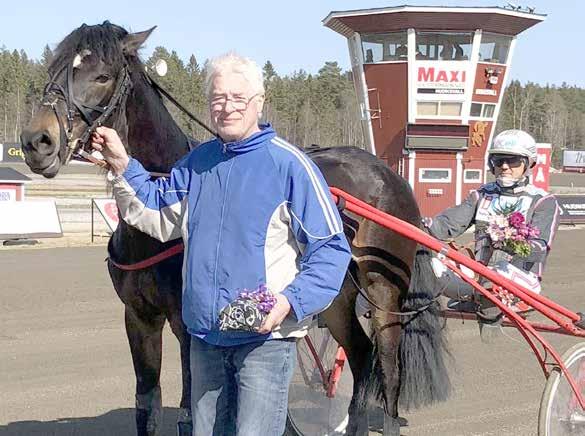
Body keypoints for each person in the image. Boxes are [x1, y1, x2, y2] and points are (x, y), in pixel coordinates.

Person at [91, 52, 351, 436]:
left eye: (237, 98)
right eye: (217, 98)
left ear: (258, 103)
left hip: (264, 342)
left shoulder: (290, 167)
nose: (226, 107)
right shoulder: (196, 164)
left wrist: (289, 302)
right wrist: (122, 165)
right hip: (206, 340)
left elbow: (331, 250)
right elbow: (156, 212)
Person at [422, 130, 560, 314]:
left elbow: (539, 250)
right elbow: (445, 226)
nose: (504, 166)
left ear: (529, 163)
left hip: (520, 282)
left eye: (513, 160)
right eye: (498, 160)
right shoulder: (481, 194)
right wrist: (418, 223)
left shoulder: (543, 201)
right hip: (480, 275)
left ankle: (488, 298)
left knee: (499, 271)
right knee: (432, 263)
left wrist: (508, 241)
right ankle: (477, 297)